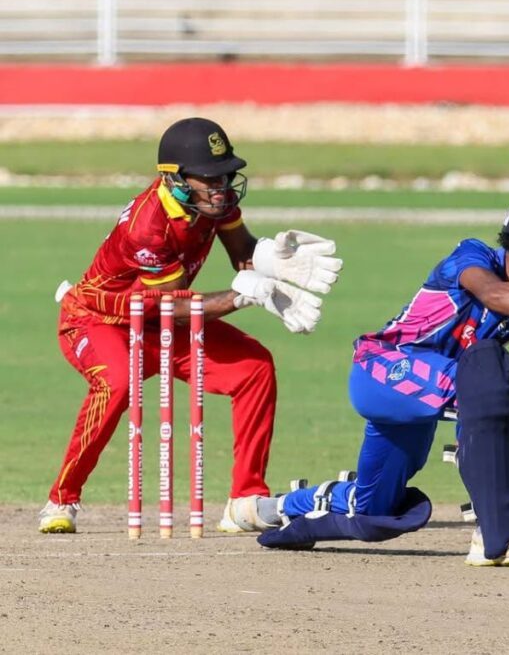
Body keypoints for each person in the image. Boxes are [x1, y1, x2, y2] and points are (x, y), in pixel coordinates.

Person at [233, 192, 509, 566]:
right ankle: (496, 536)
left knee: (374, 513)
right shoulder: (472, 257)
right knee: (487, 368)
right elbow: (491, 294)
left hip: (424, 400)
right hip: (382, 370)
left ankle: (273, 510)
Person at [39, 117, 343, 534]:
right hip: (99, 320)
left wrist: (275, 259)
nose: (222, 187)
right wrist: (242, 296)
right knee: (118, 382)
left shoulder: (214, 203)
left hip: (157, 317)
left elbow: (244, 253)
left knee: (254, 368)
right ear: (175, 179)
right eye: (210, 178)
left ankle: (245, 500)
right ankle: (62, 499)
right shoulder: (148, 225)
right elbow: (174, 306)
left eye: (226, 175)